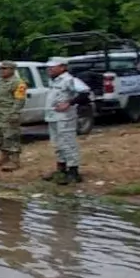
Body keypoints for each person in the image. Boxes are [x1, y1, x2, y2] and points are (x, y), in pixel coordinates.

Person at [42, 56, 91, 185]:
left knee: (68, 143)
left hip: (65, 118)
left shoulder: (70, 80)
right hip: (53, 117)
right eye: (49, 67)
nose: (50, 69)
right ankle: (61, 169)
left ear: (63, 67)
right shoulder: (53, 80)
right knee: (57, 143)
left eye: (53, 67)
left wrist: (69, 103)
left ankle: (73, 171)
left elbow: (85, 93)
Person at [0, 60, 27, 171]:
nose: (1, 71)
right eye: (0, 68)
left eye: (4, 68)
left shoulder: (18, 83)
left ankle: (15, 161)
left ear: (12, 70)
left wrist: (14, 114)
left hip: (8, 115)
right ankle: (4, 158)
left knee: (11, 138)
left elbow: (19, 100)